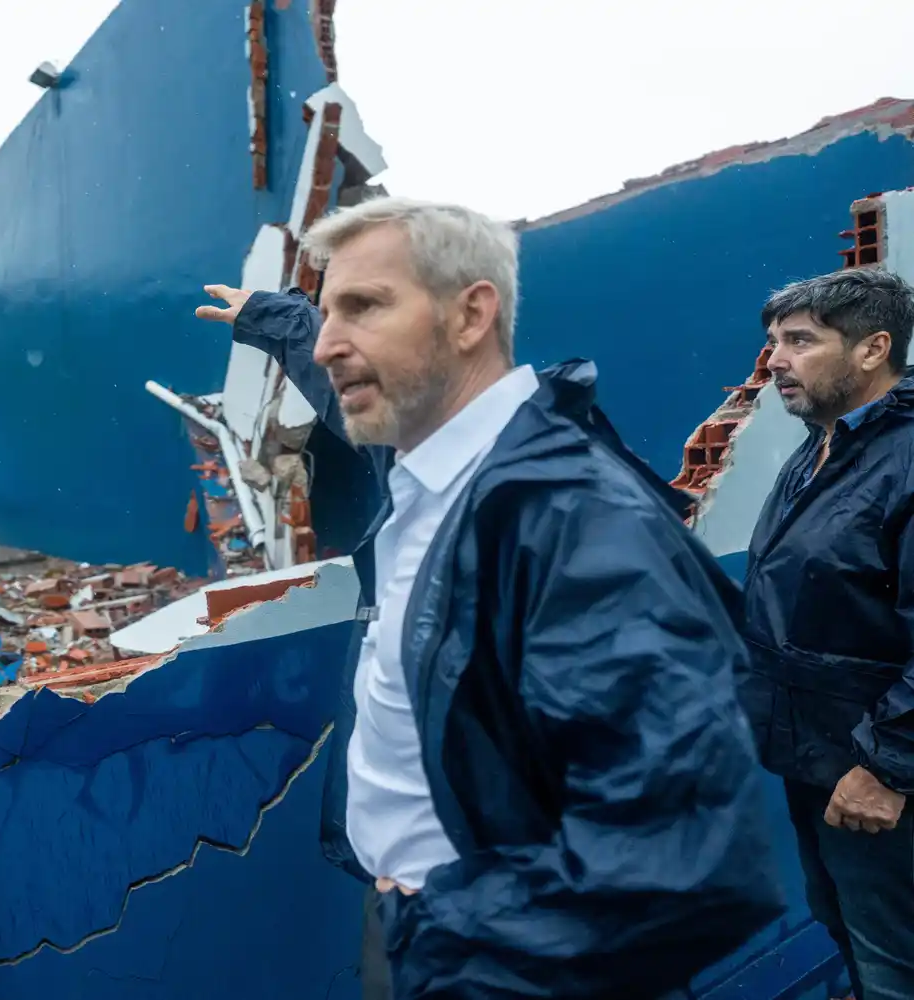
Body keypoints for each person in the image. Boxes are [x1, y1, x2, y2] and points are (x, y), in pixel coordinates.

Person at [196, 196, 785, 998]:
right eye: (327, 313)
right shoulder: (424, 474)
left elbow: (692, 854)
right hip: (429, 924)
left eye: (364, 306)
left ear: (472, 314)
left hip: (500, 959)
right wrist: (276, 318)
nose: (331, 343)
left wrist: (456, 933)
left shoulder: (566, 517)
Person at [739, 267, 914, 1000]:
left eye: (800, 341)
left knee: (894, 960)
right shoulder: (822, 448)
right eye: (774, 341)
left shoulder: (904, 459)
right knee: (846, 927)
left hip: (883, 776)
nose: (775, 359)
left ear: (874, 349)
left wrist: (886, 768)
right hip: (818, 760)